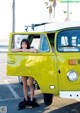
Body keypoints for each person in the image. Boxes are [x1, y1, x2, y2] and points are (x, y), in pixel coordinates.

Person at [11, 39, 39, 109]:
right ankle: (26, 100)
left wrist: (26, 50)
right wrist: (21, 50)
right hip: (23, 70)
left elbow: (35, 50)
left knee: (31, 85)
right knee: (24, 85)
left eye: (25, 44)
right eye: (22, 44)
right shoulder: (19, 49)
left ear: (27, 44)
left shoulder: (30, 49)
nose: (23, 45)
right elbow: (12, 50)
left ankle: (31, 100)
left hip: (30, 69)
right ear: (21, 44)